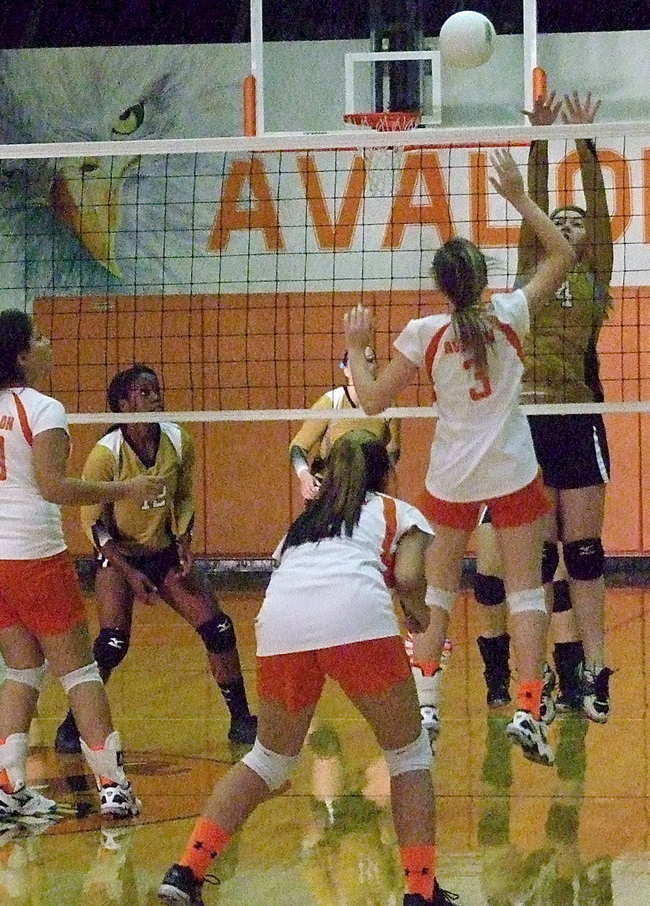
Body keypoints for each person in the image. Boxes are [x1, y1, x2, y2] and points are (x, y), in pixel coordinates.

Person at [343, 147, 576, 766]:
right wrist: (521, 199)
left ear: (440, 286)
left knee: (440, 593)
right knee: (527, 591)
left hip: (451, 476)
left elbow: (368, 402)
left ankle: (426, 705)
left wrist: (358, 346)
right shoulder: (510, 313)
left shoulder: (424, 332)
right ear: (483, 277)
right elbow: (564, 255)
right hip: (512, 469)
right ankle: (528, 707)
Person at [157, 431, 454, 906]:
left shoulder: (302, 524)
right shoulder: (398, 511)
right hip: (356, 617)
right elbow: (410, 576)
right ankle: (420, 890)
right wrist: (418, 615)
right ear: (385, 472)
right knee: (408, 756)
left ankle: (187, 870)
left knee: (269, 759)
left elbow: (287, 577)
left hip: (281, 624)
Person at [0, 308, 161, 819]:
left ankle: (6, 786)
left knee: (22, 668)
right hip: (30, 558)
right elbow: (54, 487)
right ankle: (114, 788)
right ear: (22, 356)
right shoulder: (43, 410)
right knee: (79, 671)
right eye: (40, 338)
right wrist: (128, 487)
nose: (50, 343)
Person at [473, 91, 615, 723]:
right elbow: (535, 224)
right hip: (529, 419)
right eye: (558, 218)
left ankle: (593, 670)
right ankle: (539, 681)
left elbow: (602, 220)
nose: (568, 223)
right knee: (541, 558)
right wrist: (539, 143)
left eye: (575, 220)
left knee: (584, 553)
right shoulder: (538, 275)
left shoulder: (595, 276)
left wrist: (584, 144)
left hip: (578, 418)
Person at [52, 364, 257, 753]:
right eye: (143, 393)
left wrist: (183, 539)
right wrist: (127, 572)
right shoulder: (106, 454)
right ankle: (71, 725)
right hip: (118, 554)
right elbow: (91, 522)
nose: (154, 397)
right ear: (123, 405)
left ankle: (242, 721)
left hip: (163, 552)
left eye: (156, 390)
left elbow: (182, 498)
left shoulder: (178, 440)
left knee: (219, 629)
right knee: (112, 643)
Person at [290, 348, 401, 501]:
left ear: (376, 366)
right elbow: (298, 447)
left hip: (367, 492)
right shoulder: (331, 402)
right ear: (346, 370)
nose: (362, 367)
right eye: (356, 361)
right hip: (329, 489)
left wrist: (379, 478)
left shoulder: (388, 405)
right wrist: (304, 475)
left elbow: (392, 452)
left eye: (369, 360)